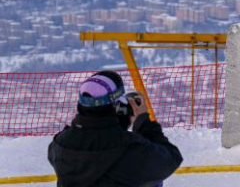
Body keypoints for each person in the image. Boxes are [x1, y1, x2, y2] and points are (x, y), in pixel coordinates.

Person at [48, 71, 182, 187]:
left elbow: (95, 142)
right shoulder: (131, 149)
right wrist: (143, 122)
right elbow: (171, 158)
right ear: (116, 107)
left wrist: (116, 123)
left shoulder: (59, 144)